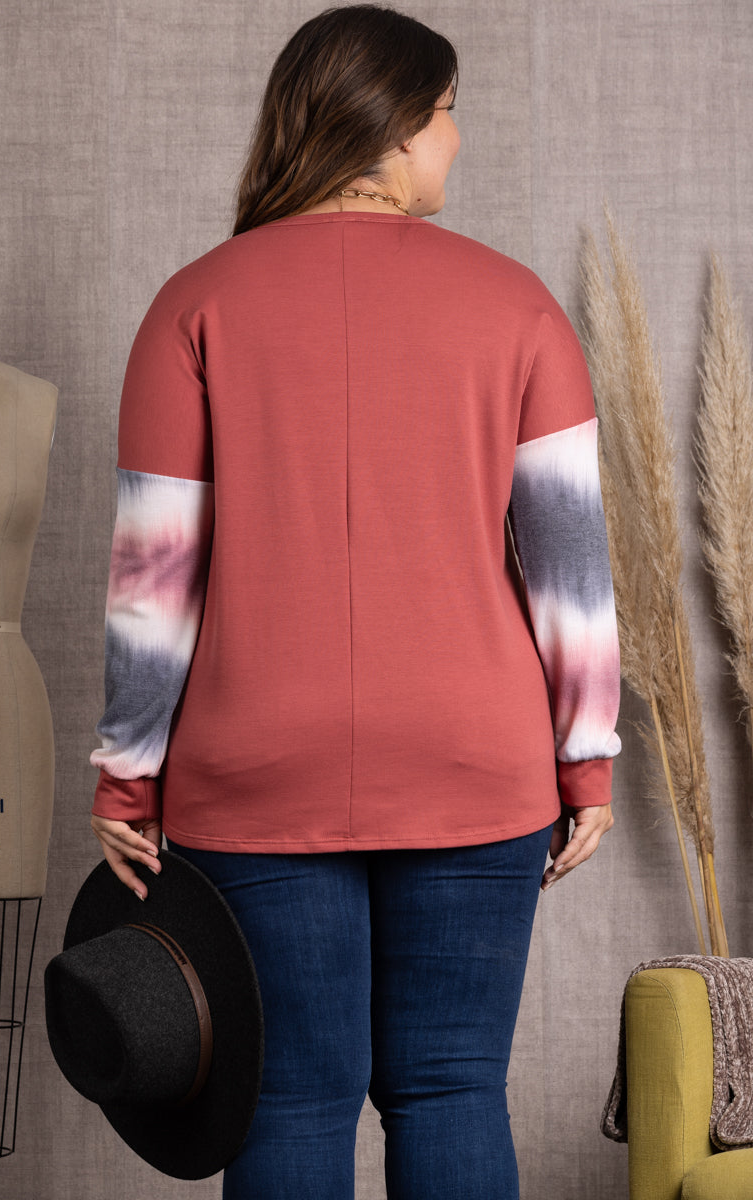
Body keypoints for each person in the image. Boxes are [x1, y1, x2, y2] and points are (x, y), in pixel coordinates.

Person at [89, 5, 621, 1197]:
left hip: (252, 763)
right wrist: (585, 758)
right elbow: (569, 566)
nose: (455, 139)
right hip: (471, 755)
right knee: (451, 1087)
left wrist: (128, 773)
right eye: (446, 114)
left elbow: (153, 578)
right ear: (391, 128)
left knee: (286, 1097)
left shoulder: (194, 303)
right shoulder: (517, 305)